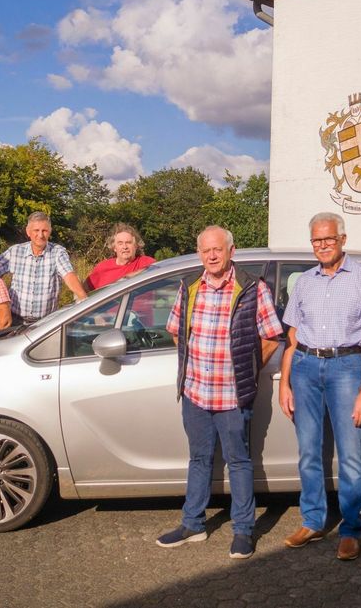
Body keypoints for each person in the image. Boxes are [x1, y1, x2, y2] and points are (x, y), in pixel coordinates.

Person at [156, 225, 283, 560]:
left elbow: (271, 337)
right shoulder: (190, 287)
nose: (211, 256)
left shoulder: (253, 288)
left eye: (217, 249)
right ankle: (192, 524)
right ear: (200, 253)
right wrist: (195, 366)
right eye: (205, 250)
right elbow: (176, 331)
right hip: (196, 393)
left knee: (238, 462)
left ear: (231, 250)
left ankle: (243, 530)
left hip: (231, 396)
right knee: (198, 460)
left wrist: (246, 370)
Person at [278, 212, 361, 561]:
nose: (322, 245)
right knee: (309, 451)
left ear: (342, 239)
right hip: (306, 367)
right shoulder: (304, 282)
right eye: (316, 240)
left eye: (328, 239)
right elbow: (291, 338)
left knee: (350, 454)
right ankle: (312, 520)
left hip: (346, 368)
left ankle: (351, 529)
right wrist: (285, 383)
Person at [0, 212, 87, 324]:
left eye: (44, 231)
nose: (40, 235)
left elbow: (69, 276)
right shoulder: (15, 251)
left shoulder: (57, 252)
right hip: (15, 320)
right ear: (28, 232)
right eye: (36, 230)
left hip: (45, 324)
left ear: (50, 231)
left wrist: (85, 302)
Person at [84, 223, 155, 291]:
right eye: (120, 243)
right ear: (114, 247)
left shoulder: (147, 263)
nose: (125, 247)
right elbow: (84, 289)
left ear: (136, 246)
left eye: (128, 243)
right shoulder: (102, 268)